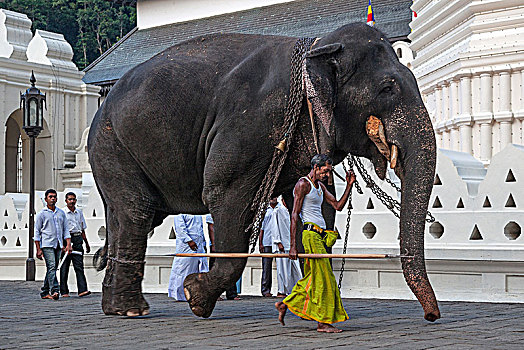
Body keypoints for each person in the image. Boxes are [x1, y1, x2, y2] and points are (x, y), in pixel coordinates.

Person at [275, 154, 355, 333]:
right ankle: (322, 323)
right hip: (310, 236)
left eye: (329, 172)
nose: (327, 175)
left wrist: (349, 186)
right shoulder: (303, 184)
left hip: (320, 236)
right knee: (324, 279)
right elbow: (294, 214)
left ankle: (284, 304)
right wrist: (293, 245)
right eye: (325, 171)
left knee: (314, 278)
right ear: (316, 168)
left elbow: (337, 206)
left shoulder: (319, 187)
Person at [35, 189, 72, 300]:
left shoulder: (61, 213)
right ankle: (55, 290)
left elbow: (66, 229)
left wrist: (68, 244)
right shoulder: (42, 214)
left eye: (54, 197)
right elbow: (37, 232)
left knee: (53, 268)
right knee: (51, 266)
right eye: (50, 197)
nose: (53, 199)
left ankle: (45, 291)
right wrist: (38, 249)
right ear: (46, 199)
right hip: (47, 244)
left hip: (58, 244)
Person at [168, 214, 209, 301]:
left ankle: (194, 293)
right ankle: (180, 295)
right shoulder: (180, 213)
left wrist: (204, 244)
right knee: (183, 270)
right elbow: (180, 229)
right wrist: (189, 241)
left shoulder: (197, 213)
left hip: (199, 245)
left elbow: (200, 229)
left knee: (197, 270)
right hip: (186, 246)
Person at [268, 198, 302, 297]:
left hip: (290, 244)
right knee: (282, 270)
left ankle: (296, 288)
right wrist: (278, 242)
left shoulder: (291, 212)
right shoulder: (278, 211)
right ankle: (281, 290)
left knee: (295, 269)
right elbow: (274, 227)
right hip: (281, 245)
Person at [59, 192, 91, 298]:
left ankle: (82, 289)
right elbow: (60, 230)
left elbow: (82, 229)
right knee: (65, 266)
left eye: (73, 199)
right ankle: (64, 291)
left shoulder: (79, 212)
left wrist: (86, 243)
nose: (72, 201)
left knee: (79, 266)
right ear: (66, 201)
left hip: (77, 239)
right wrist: (63, 245)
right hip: (66, 238)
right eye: (70, 199)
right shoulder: (62, 213)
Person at [206, 214, 241, 300]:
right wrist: (214, 244)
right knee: (215, 269)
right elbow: (211, 228)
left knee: (230, 268)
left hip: (227, 244)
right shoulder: (211, 212)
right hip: (217, 245)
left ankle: (231, 293)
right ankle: (214, 294)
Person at [259, 197, 278, 297]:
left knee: (281, 267)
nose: (273, 199)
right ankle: (265, 289)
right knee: (266, 267)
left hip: (278, 242)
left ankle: (282, 289)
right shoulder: (265, 211)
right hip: (267, 242)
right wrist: (260, 243)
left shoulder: (281, 208)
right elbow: (261, 228)